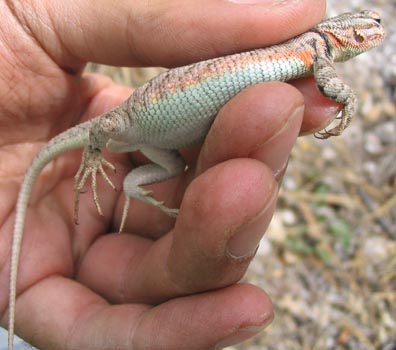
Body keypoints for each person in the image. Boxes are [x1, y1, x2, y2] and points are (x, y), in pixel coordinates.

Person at [0, 0, 340, 348]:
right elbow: (109, 124)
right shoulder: (307, 49)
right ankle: (94, 154)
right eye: (372, 22)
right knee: (115, 128)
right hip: (138, 116)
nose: (377, 29)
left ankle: (133, 187)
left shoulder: (308, 53)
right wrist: (93, 152)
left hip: (157, 138)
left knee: (175, 167)